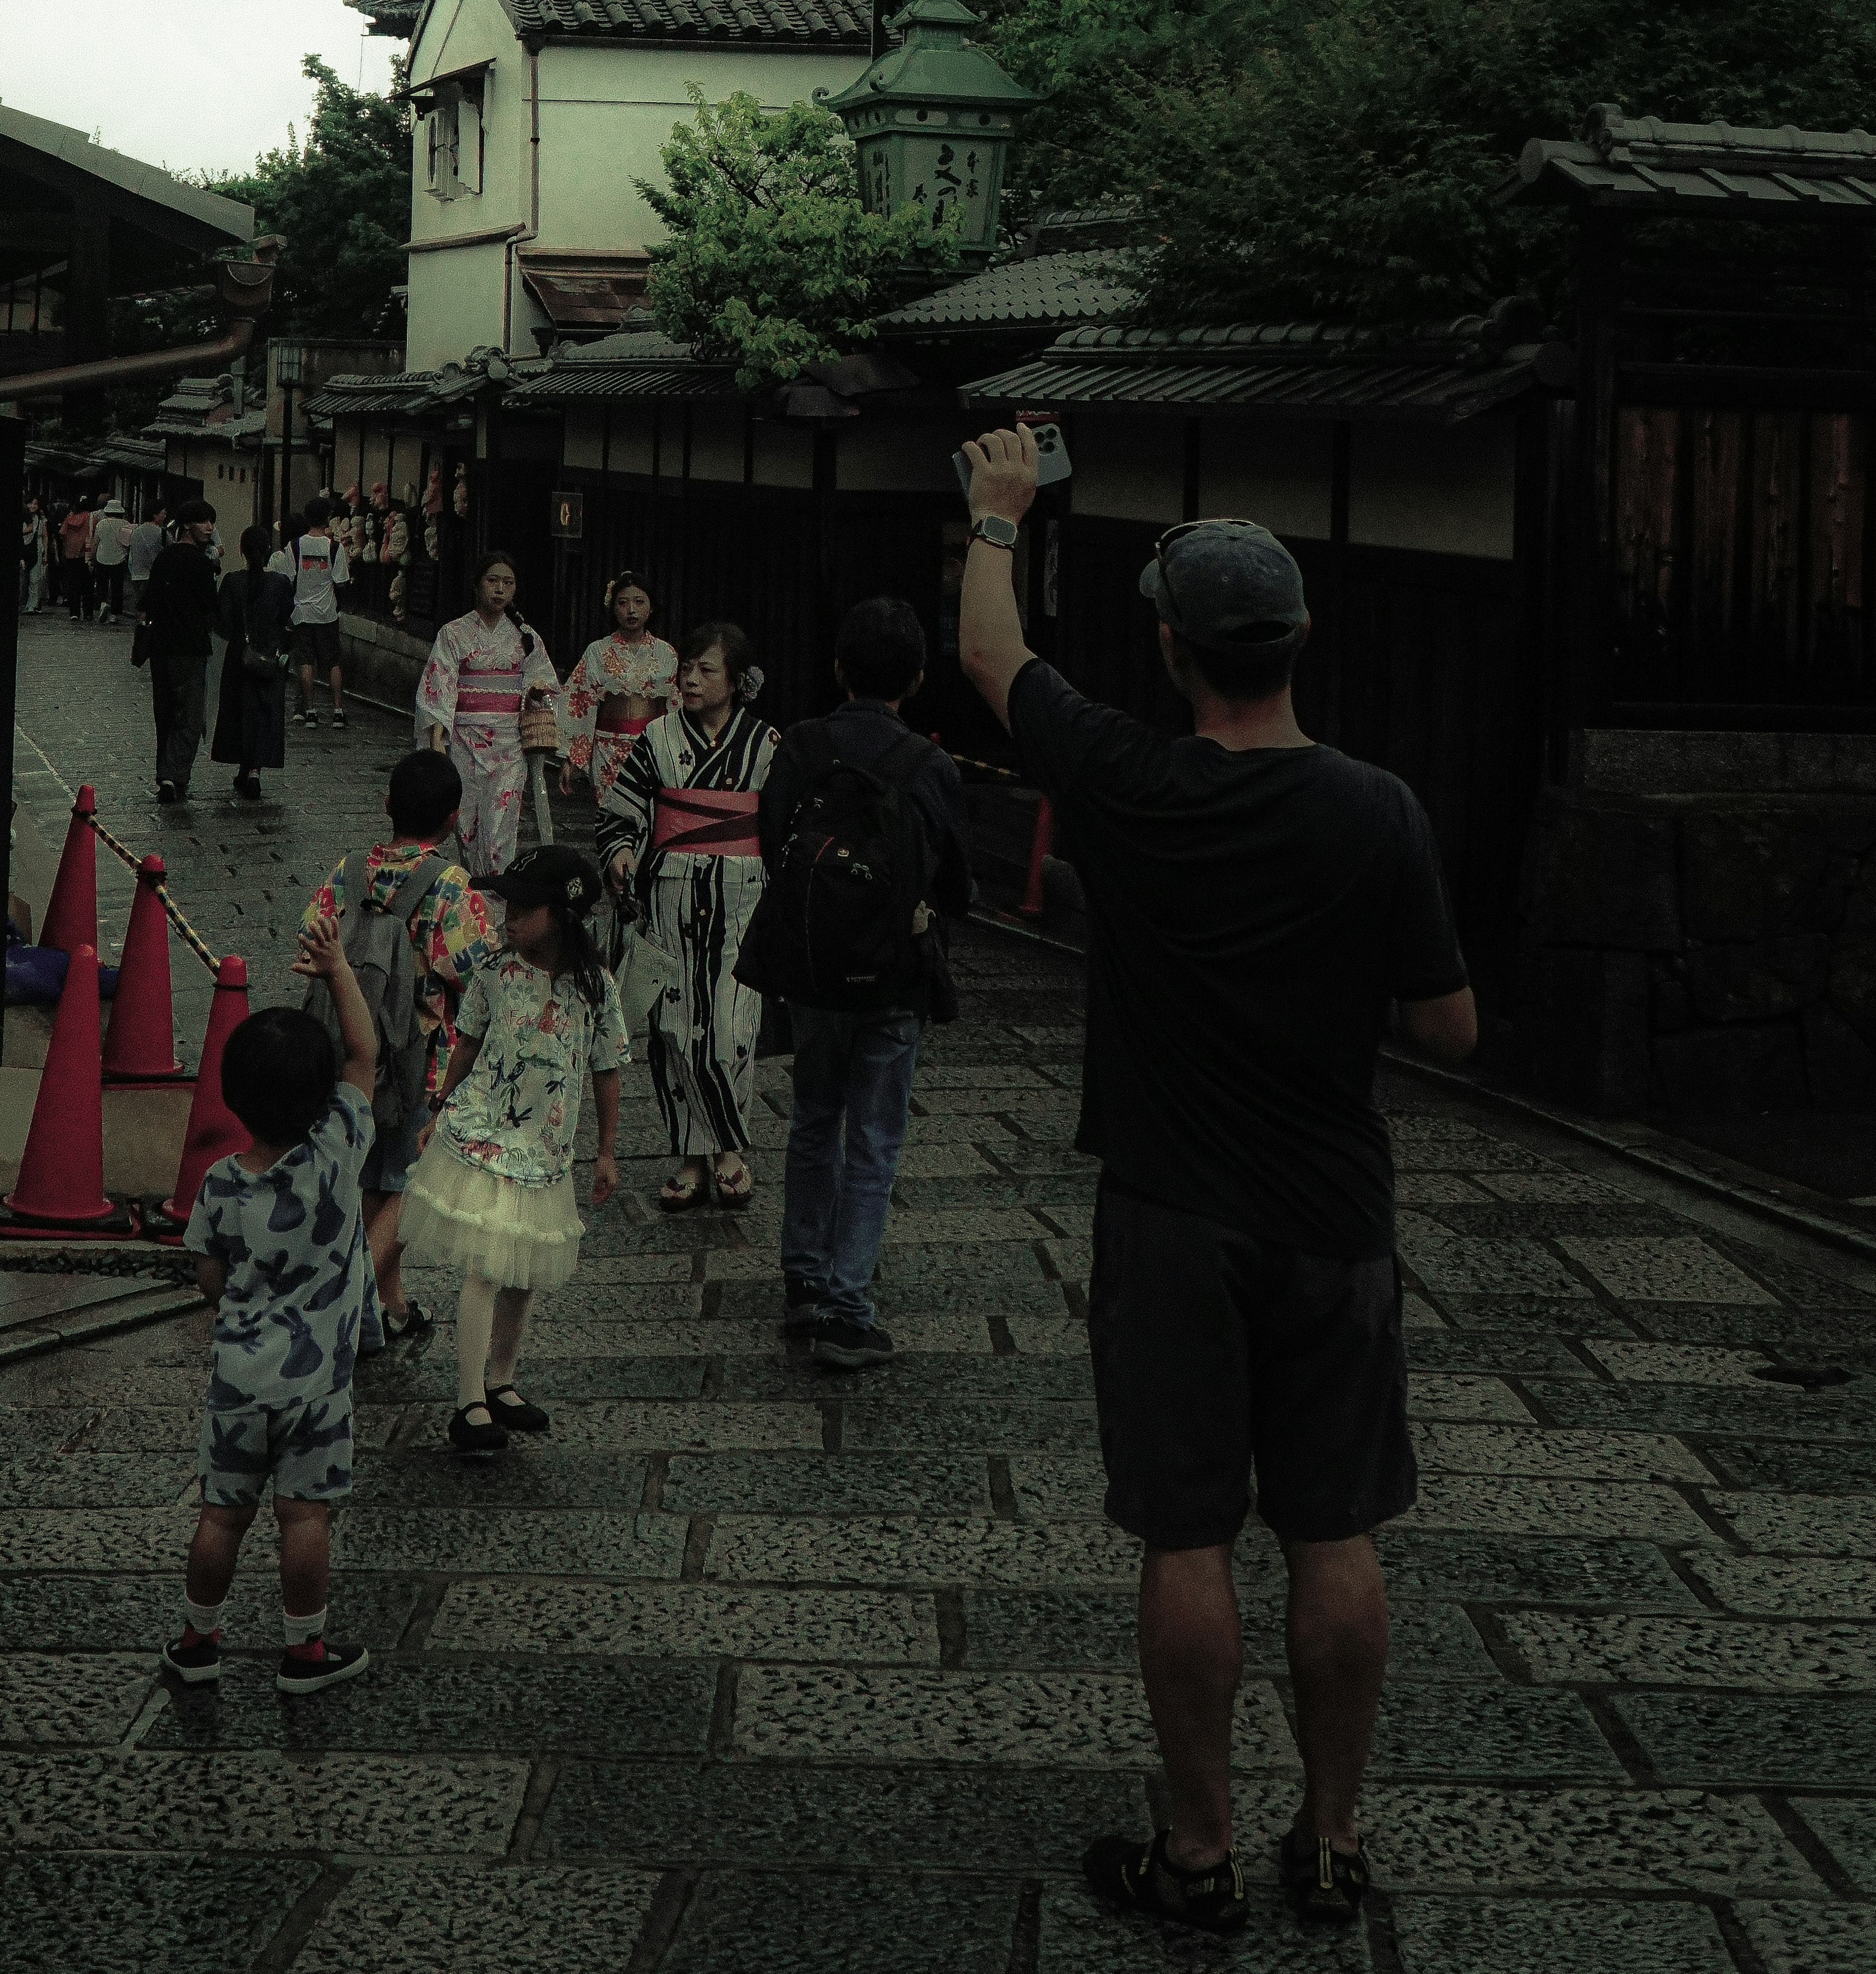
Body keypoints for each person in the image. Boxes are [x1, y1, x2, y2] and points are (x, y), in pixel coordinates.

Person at [954, 429, 1479, 1937]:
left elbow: (992, 658)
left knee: (1186, 1531)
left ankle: (1195, 1848)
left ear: (1171, 647)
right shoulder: (1375, 808)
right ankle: (1331, 1836)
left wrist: (996, 513)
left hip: (1173, 1209)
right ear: (1299, 638)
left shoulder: (1130, 780)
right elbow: (1448, 1022)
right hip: (1332, 1213)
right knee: (1333, 1525)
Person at [738, 594, 970, 1373]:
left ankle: (802, 1276)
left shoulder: (801, 746)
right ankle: (847, 1305)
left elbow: (773, 842)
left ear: (837, 670)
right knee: (874, 1136)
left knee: (813, 1116)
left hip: (811, 969)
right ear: (917, 676)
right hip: (895, 977)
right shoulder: (930, 764)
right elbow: (960, 881)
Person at [162, 922, 379, 1696]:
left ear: (233, 1096)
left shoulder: (221, 1184)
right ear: (322, 1098)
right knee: (303, 1515)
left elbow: (208, 1278)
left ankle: (198, 1639)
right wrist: (338, 969)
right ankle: (305, 1653)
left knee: (222, 1516)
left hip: (237, 1379)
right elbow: (365, 1055)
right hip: (316, 1381)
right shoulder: (338, 1149)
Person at [397, 840, 626, 1454]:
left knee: (521, 1266)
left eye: (522, 910)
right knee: (487, 1265)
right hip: (485, 1135)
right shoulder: (497, 973)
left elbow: (608, 1069)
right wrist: (440, 1104)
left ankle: (501, 1380)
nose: (508, 920)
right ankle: (469, 1398)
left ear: (562, 914)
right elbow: (467, 1042)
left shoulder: (595, 988)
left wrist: (606, 1150)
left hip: (544, 1146)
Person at [305, 746, 495, 1345]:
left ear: (387, 805)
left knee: (370, 1179)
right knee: (416, 1186)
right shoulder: (450, 884)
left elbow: (313, 934)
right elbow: (478, 972)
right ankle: (348, 1294)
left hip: (350, 1054)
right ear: (453, 819)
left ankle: (392, 1303)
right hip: (424, 1062)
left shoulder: (349, 869)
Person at [598, 617, 776, 1213]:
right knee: (673, 1030)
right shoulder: (657, 739)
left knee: (730, 1027)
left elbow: (782, 828)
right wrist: (622, 850)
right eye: (687, 669)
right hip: (669, 900)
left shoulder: (766, 745)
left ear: (738, 680)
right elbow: (623, 809)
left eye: (707, 670)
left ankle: (725, 1149)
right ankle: (696, 1157)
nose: (692, 680)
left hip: (741, 899)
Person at [415, 552, 561, 880]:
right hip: (465, 741)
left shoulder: (525, 637)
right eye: (492, 581)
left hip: (509, 745)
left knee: (500, 828)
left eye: (508, 583)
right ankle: (476, 894)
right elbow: (440, 685)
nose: (499, 589)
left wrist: (536, 690)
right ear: (477, 585)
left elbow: (547, 683)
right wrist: (438, 742)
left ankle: (494, 903)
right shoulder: (453, 634)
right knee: (465, 826)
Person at [561, 571, 677, 816]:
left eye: (639, 602)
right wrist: (574, 757)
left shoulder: (667, 654)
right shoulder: (598, 652)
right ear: (613, 608)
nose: (631, 610)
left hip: (653, 747)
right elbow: (580, 701)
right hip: (608, 749)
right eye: (623, 603)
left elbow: (677, 707)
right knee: (611, 819)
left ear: (651, 607)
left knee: (652, 819)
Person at [144, 503, 219, 805]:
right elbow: (211, 608)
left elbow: (149, 601)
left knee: (164, 710)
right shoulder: (202, 565)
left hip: (161, 646)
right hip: (190, 648)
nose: (210, 528)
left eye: (212, 522)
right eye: (204, 522)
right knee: (188, 714)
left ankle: (164, 773)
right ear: (188, 526)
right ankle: (176, 775)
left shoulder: (164, 558)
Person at [212, 524, 291, 803]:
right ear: (268, 550)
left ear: (241, 551)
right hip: (270, 658)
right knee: (264, 713)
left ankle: (245, 767)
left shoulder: (232, 582)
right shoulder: (281, 583)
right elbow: (287, 620)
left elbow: (220, 623)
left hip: (240, 657)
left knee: (240, 712)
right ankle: (254, 770)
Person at [287, 495, 350, 731]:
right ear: (328, 520)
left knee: (306, 661)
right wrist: (337, 605)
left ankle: (310, 712)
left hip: (302, 612)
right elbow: (342, 582)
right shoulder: (334, 548)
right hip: (327, 613)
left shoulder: (294, 546)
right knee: (333, 662)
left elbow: (288, 579)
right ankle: (338, 712)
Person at [90, 495, 133, 623]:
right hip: (119, 560)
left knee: (102, 585)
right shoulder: (126, 525)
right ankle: (114, 615)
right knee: (117, 588)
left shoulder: (101, 524)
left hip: (102, 558)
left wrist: (91, 558)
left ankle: (103, 604)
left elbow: (96, 543)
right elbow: (128, 543)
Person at [125, 502, 166, 620]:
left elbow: (131, 555)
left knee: (141, 605)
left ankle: (142, 627)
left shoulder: (136, 532)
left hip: (137, 575)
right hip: (155, 575)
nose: (165, 516)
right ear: (155, 515)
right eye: (163, 513)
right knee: (155, 604)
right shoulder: (162, 533)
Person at [56, 496, 93, 619]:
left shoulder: (69, 517)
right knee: (88, 584)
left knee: (74, 584)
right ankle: (88, 613)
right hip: (86, 554)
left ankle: (74, 613)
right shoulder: (90, 517)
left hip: (70, 554)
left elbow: (62, 533)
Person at [20, 497, 52, 617]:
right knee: (25, 580)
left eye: (36, 504)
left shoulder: (41, 520)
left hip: (37, 550)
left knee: (35, 579)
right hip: (24, 548)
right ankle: (28, 603)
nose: (33, 506)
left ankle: (32, 605)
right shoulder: (23, 517)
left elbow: (44, 536)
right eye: (31, 503)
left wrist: (46, 553)